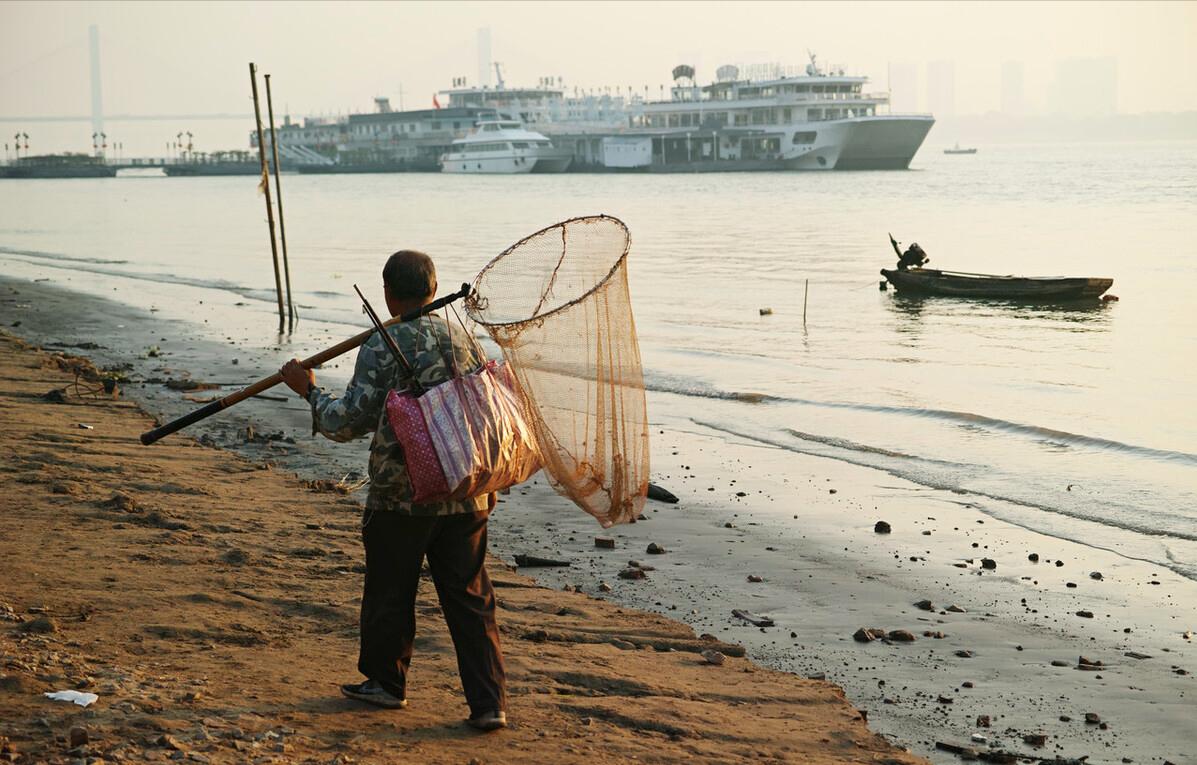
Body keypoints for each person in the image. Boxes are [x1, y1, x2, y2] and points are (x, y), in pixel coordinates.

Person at [279, 250, 508, 731]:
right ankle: (489, 704)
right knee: (470, 597)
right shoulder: (463, 339)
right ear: (433, 289)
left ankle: (387, 684)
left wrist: (309, 390)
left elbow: (347, 421)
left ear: (387, 294)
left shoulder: (383, 344)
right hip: (465, 488)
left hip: (400, 496)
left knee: (390, 590)